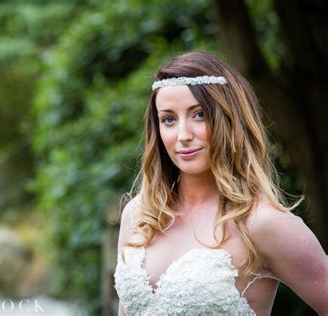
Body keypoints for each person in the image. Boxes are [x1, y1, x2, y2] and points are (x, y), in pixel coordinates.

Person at [114, 51, 328, 315]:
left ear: (228, 120)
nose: (183, 135)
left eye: (199, 114)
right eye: (168, 119)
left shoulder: (261, 223)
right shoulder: (139, 215)